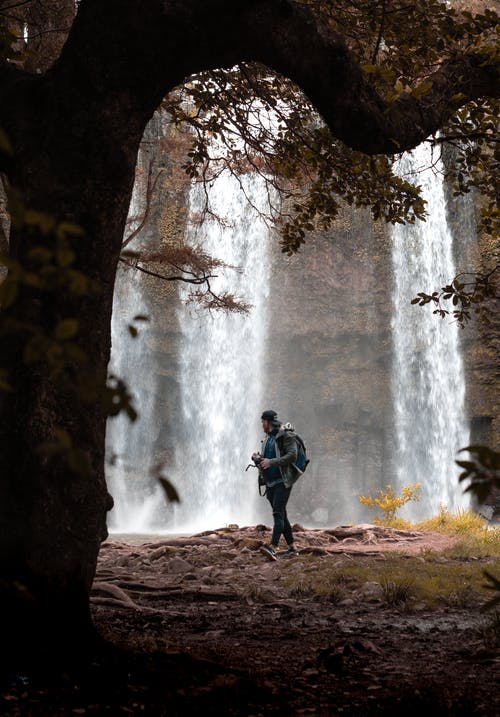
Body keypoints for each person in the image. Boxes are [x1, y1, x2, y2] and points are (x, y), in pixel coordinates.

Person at [256, 409, 301, 559]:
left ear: (268, 422)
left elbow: (292, 455)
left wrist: (271, 462)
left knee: (277, 513)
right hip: (270, 483)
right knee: (282, 514)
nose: (261, 424)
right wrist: (258, 459)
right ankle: (292, 547)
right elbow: (266, 459)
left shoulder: (285, 435)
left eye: (263, 422)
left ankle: (273, 547)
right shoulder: (267, 438)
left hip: (283, 481)